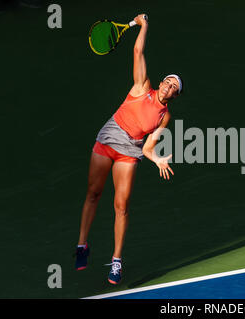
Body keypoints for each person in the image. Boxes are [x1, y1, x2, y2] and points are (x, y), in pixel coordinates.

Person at [75, 14, 183, 285]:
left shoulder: (164, 117)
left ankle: (116, 261)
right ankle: (82, 245)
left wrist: (156, 158)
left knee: (121, 206)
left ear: (174, 96)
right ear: (161, 83)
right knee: (93, 193)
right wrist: (144, 26)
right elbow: (137, 50)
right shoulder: (141, 86)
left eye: (174, 87)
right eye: (168, 81)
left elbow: (147, 146)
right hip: (110, 136)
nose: (169, 86)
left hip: (130, 150)